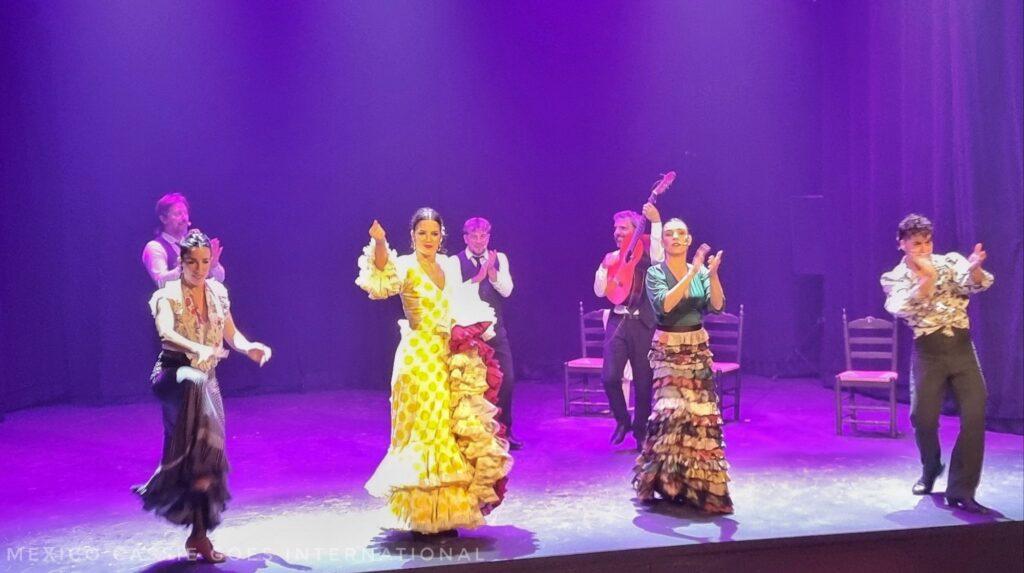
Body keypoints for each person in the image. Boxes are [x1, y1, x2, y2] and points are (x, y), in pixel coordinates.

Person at [356, 208, 512, 537]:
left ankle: (447, 512)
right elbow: (381, 279)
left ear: (442, 236)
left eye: (434, 233)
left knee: (446, 432)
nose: (428, 238)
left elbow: (460, 301)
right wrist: (380, 242)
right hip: (417, 359)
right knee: (424, 432)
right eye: (422, 233)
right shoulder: (405, 264)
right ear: (412, 236)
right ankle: (422, 515)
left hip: (447, 356)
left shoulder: (448, 265)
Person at [133, 229, 272, 562]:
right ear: (181, 262)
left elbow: (231, 333)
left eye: (205, 261)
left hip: (206, 381)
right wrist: (196, 347)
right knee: (195, 384)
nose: (199, 268)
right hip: (175, 375)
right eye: (192, 261)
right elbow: (166, 332)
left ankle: (198, 536)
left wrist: (248, 346)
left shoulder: (217, 293)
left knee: (206, 464)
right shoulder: (168, 295)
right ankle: (196, 533)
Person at [880, 214, 994, 514]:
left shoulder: (949, 262)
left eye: (927, 241)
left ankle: (961, 489)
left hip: (961, 347)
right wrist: (925, 280)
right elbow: (898, 307)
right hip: (928, 352)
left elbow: (976, 284)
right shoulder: (893, 277)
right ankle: (931, 467)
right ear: (901, 244)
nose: (924, 248)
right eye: (916, 243)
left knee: (975, 414)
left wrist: (975, 269)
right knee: (923, 419)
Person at [633, 218, 732, 514]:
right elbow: (665, 304)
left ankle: (695, 485)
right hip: (668, 348)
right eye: (669, 234)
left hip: (697, 347)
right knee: (671, 415)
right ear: (662, 241)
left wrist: (711, 274)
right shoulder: (654, 272)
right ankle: (665, 482)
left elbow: (716, 306)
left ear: (689, 240)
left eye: (681, 233)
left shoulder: (700, 270)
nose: (675, 237)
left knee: (698, 418)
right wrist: (692, 272)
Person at [593, 204, 663, 447]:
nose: (618, 232)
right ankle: (623, 420)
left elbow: (659, 256)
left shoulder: (648, 257)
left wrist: (655, 222)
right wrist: (604, 266)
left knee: (644, 381)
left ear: (636, 231)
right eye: (616, 228)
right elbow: (600, 291)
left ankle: (641, 429)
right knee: (609, 376)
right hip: (617, 320)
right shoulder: (612, 257)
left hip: (642, 322)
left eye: (623, 228)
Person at [454, 217, 522, 450]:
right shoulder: (455, 262)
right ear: (466, 238)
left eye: (484, 236)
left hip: (495, 328)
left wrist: (491, 271)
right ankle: (477, 435)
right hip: (468, 332)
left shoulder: (499, 258)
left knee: (507, 380)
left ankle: (504, 431)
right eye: (474, 236)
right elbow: (455, 294)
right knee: (475, 384)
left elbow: (508, 291)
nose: (479, 241)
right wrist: (480, 275)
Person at [142, 193, 225, 287]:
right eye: (178, 214)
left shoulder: (193, 245)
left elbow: (219, 279)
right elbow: (161, 283)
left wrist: (212, 265)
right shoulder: (155, 247)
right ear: (163, 219)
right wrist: (184, 260)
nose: (184, 218)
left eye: (185, 213)